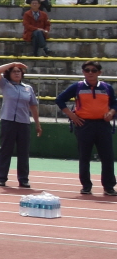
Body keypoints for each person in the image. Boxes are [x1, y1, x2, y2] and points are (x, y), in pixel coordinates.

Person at [56, 61, 115, 197]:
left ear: (99, 73)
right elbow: (60, 99)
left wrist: (111, 112)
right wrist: (72, 115)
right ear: (83, 72)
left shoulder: (107, 87)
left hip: (103, 125)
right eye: (87, 70)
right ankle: (86, 186)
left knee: (107, 156)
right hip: (84, 125)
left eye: (94, 70)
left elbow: (114, 103)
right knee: (84, 156)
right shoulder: (77, 86)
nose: (90, 73)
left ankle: (109, 187)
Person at [0, 62, 41, 190]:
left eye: (19, 71)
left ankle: (23, 179)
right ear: (9, 73)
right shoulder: (5, 84)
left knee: (23, 152)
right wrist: (13, 63)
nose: (17, 73)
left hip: (23, 122)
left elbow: (33, 106)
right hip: (8, 121)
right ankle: (2, 178)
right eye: (14, 71)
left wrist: (37, 124)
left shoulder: (28, 88)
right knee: (5, 150)